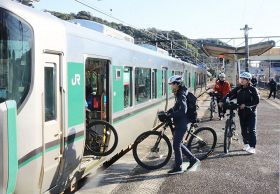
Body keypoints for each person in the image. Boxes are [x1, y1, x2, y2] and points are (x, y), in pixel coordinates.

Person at [165, 75, 200, 174]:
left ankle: (178, 167)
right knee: (178, 144)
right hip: (181, 121)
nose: (170, 86)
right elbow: (177, 106)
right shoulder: (180, 92)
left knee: (176, 144)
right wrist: (169, 111)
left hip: (182, 122)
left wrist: (171, 115)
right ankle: (193, 160)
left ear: (177, 84)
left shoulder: (181, 94)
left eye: (171, 84)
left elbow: (183, 110)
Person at [220, 72, 259, 154]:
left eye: (244, 79)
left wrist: (246, 105)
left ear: (248, 80)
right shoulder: (238, 88)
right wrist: (222, 101)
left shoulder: (252, 89)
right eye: (241, 78)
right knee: (243, 129)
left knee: (251, 130)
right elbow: (229, 94)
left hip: (251, 112)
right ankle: (246, 144)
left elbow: (256, 101)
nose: (242, 80)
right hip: (241, 112)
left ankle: (252, 147)